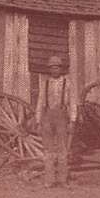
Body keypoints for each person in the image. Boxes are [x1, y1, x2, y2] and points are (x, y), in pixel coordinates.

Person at [36, 56, 77, 188]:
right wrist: (38, 120)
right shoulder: (45, 83)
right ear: (49, 69)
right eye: (52, 67)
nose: (55, 69)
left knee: (62, 149)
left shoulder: (67, 83)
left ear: (61, 69)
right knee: (48, 149)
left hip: (61, 117)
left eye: (57, 67)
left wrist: (72, 120)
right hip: (47, 117)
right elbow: (40, 102)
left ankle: (63, 180)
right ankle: (49, 180)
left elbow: (72, 103)